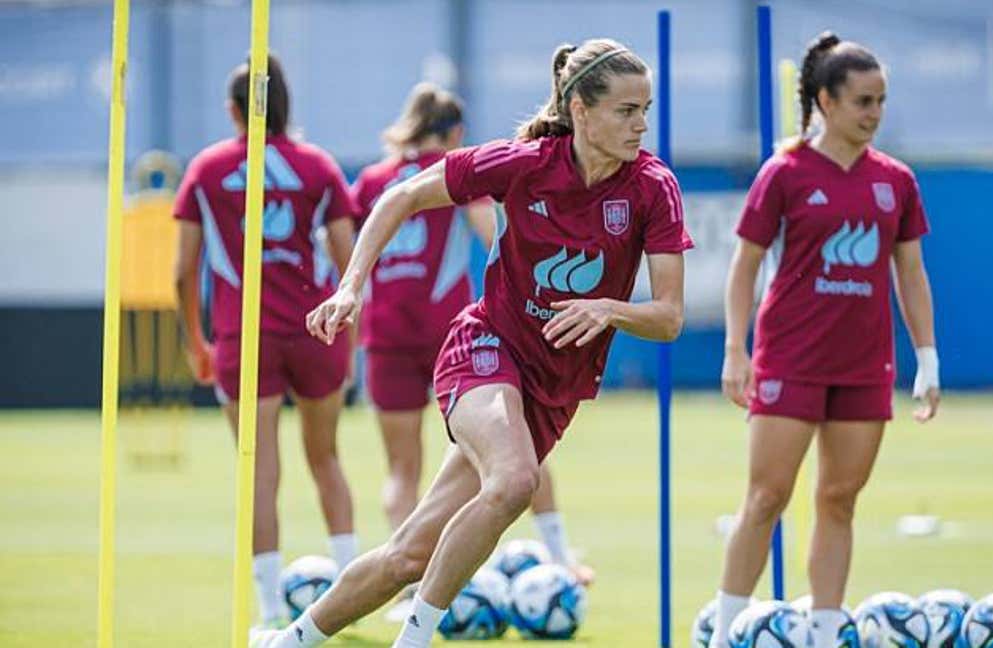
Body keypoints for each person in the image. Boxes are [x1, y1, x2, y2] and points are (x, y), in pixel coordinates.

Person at [251, 38, 691, 648]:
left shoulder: (652, 187)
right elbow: (400, 196)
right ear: (580, 110)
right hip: (485, 349)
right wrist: (351, 286)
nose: (641, 124)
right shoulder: (523, 162)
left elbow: (669, 317)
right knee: (514, 482)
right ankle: (415, 639)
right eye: (625, 110)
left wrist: (609, 309)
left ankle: (288, 639)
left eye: (646, 108)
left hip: (552, 389)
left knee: (408, 555)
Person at [708, 32, 940, 648]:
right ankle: (726, 630)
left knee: (839, 499)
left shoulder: (896, 181)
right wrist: (737, 350)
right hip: (790, 359)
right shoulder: (784, 173)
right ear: (826, 102)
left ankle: (824, 632)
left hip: (865, 366)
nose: (874, 113)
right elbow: (744, 267)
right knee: (766, 497)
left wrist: (927, 357)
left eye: (881, 100)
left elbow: (909, 273)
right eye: (863, 100)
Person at [349, 82, 593, 623]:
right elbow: (496, 234)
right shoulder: (458, 169)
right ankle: (558, 558)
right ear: (455, 131)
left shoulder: (370, 181)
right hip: (448, 330)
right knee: (517, 446)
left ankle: (409, 583)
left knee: (401, 468)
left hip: (385, 334)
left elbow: (347, 241)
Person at [173, 54, 360, 630]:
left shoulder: (207, 170)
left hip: (243, 335)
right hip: (316, 332)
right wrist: (347, 334)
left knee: (259, 471)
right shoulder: (318, 166)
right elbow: (347, 258)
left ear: (234, 110)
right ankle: (353, 595)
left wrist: (195, 340)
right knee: (326, 458)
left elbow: (183, 269)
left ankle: (269, 616)